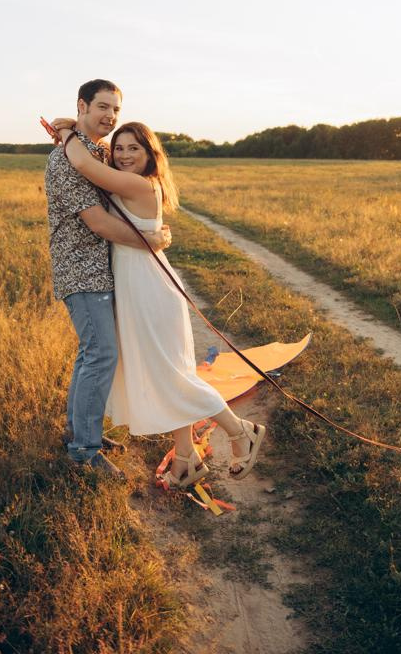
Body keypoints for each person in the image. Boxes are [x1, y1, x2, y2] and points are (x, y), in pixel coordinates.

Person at [49, 115, 266, 489]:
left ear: (151, 154)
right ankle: (186, 457)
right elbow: (93, 159)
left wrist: (67, 131)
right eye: (119, 148)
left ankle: (240, 429)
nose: (124, 154)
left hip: (149, 289)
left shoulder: (141, 185)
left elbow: (83, 162)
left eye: (135, 148)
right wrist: (82, 135)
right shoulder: (127, 179)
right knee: (165, 370)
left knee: (171, 374)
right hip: (135, 287)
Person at [45, 79, 171, 477]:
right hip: (80, 270)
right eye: (102, 107)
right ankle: (84, 450)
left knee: (92, 354)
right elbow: (98, 223)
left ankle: (80, 430)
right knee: (101, 354)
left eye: (115, 109)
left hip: (101, 270)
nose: (110, 116)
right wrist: (149, 240)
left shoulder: (92, 150)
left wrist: (67, 129)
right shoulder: (67, 159)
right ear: (83, 104)